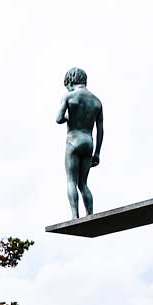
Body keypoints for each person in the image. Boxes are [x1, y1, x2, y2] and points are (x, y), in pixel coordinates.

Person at [55, 67, 104, 219]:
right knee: (83, 184)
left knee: (71, 181)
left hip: (73, 141)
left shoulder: (69, 97)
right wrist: (97, 153)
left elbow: (58, 119)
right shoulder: (96, 101)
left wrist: (68, 118)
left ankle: (75, 216)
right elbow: (100, 130)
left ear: (70, 81)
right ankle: (90, 214)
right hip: (89, 143)